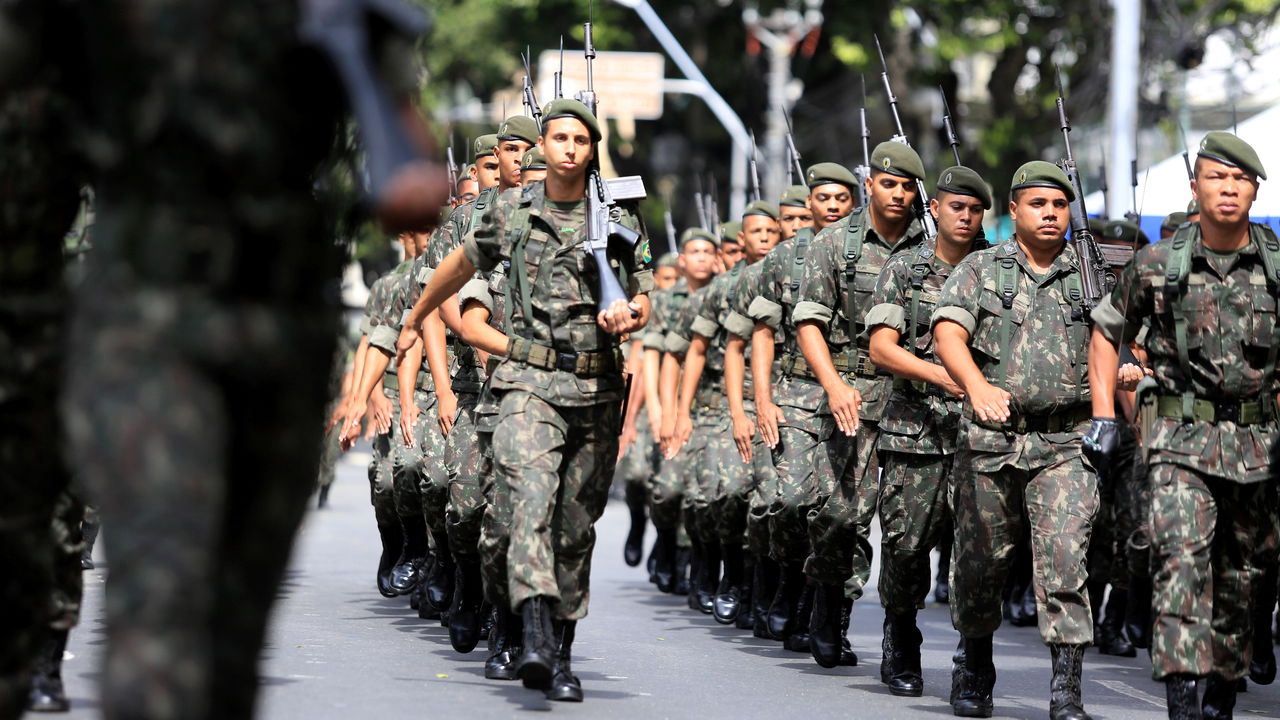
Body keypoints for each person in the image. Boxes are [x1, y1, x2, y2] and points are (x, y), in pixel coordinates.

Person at [399, 98, 652, 701]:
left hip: (596, 386)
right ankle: (532, 638)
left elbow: (646, 296)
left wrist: (631, 315)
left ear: (592, 151)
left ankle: (560, 653)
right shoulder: (511, 212)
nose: (568, 148)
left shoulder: (617, 219)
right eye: (559, 137)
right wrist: (415, 317)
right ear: (545, 145)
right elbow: (457, 270)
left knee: (575, 526)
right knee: (528, 505)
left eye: (580, 140)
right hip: (527, 384)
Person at [1086, 131, 1278, 719]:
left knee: (1242, 576)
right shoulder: (1155, 264)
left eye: (1240, 179)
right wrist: (1102, 416)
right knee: (1179, 562)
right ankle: (1181, 701)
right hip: (1179, 441)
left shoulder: (1275, 265)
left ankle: (1222, 689)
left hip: (1258, 445)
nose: (1229, 188)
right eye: (1217, 177)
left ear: (1253, 189)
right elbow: (1106, 331)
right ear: (1194, 186)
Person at [932, 161, 1105, 720]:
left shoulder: (1091, 273)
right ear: (1015, 211)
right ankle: (975, 662)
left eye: (1059, 205)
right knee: (981, 562)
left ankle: (1066, 687)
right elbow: (947, 332)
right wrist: (976, 385)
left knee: (1064, 560)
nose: (1051, 214)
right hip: (991, 440)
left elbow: (1124, 340)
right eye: (1039, 204)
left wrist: (1124, 373)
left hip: (1065, 443)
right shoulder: (983, 267)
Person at [794, 143, 930, 668]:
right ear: (869, 183)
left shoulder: (936, 243)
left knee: (906, 526)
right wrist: (832, 385)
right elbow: (809, 321)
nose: (898, 193)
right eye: (888, 183)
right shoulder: (834, 243)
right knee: (840, 516)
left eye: (907, 185)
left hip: (918, 400)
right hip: (854, 392)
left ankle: (900, 636)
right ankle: (828, 605)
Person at [866, 166, 990, 696]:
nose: (965, 217)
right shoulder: (906, 269)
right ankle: (901, 635)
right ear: (934, 209)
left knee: (978, 550)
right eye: (955, 207)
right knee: (906, 545)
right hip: (915, 427)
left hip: (979, 432)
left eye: (975, 209)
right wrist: (942, 373)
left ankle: (973, 658)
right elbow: (881, 346)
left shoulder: (997, 269)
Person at [733, 167, 853, 645]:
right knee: (791, 501)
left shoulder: (872, 255)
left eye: (840, 198)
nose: (830, 207)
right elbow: (761, 334)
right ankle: (788, 576)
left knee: (844, 513)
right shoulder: (785, 257)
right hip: (798, 393)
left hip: (856, 394)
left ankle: (823, 614)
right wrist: (761, 401)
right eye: (821, 197)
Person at [669, 200, 779, 625]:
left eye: (772, 231)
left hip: (780, 401)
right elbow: (694, 351)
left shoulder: (793, 275)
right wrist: (681, 412)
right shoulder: (723, 288)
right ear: (741, 240)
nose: (765, 239)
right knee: (726, 493)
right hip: (722, 405)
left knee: (767, 501)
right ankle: (726, 572)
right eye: (756, 232)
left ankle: (758, 590)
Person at [647, 230, 719, 594]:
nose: (702, 258)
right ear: (682, 260)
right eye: (695, 251)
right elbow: (658, 356)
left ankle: (694, 559)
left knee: (701, 492)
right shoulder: (666, 300)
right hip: (674, 400)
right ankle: (665, 541)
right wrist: (661, 410)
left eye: (709, 251)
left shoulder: (724, 294)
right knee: (668, 491)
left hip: (712, 404)